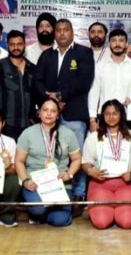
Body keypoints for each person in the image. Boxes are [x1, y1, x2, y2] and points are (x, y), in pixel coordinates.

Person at [34, 18, 94, 206]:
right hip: (50, 115)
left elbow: (84, 81)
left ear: (72, 32)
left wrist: (60, 96)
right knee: (52, 154)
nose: (61, 33)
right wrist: (49, 98)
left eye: (65, 29)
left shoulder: (83, 53)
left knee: (77, 155)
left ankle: (78, 194)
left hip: (74, 114)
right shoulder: (46, 56)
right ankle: (54, 190)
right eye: (58, 30)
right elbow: (37, 80)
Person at [14, 98, 81, 227]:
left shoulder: (68, 134)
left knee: (59, 221)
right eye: (45, 110)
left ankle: (55, 213)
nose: (49, 114)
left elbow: (77, 159)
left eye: (53, 111)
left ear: (58, 115)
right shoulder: (28, 133)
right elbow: (19, 161)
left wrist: (70, 174)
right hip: (35, 184)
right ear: (39, 113)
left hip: (60, 184)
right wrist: (25, 181)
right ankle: (42, 212)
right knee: (38, 209)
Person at [81, 100, 131, 229]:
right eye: (107, 114)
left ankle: (119, 211)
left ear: (121, 115)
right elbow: (85, 164)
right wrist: (91, 172)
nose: (111, 117)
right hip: (100, 184)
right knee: (101, 222)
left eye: (115, 113)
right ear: (102, 116)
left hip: (126, 184)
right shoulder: (93, 137)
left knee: (127, 222)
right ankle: (109, 211)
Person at [88, 29, 131, 132]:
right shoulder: (100, 66)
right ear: (109, 44)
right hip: (106, 116)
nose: (117, 44)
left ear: (126, 44)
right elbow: (94, 93)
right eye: (114, 40)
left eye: (121, 40)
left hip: (130, 117)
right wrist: (92, 120)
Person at [0, 30, 36, 140]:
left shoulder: (32, 68)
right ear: (7, 45)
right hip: (6, 125)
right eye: (12, 44)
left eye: (19, 44)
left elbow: (36, 94)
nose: (16, 48)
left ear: (24, 45)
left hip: (28, 125)